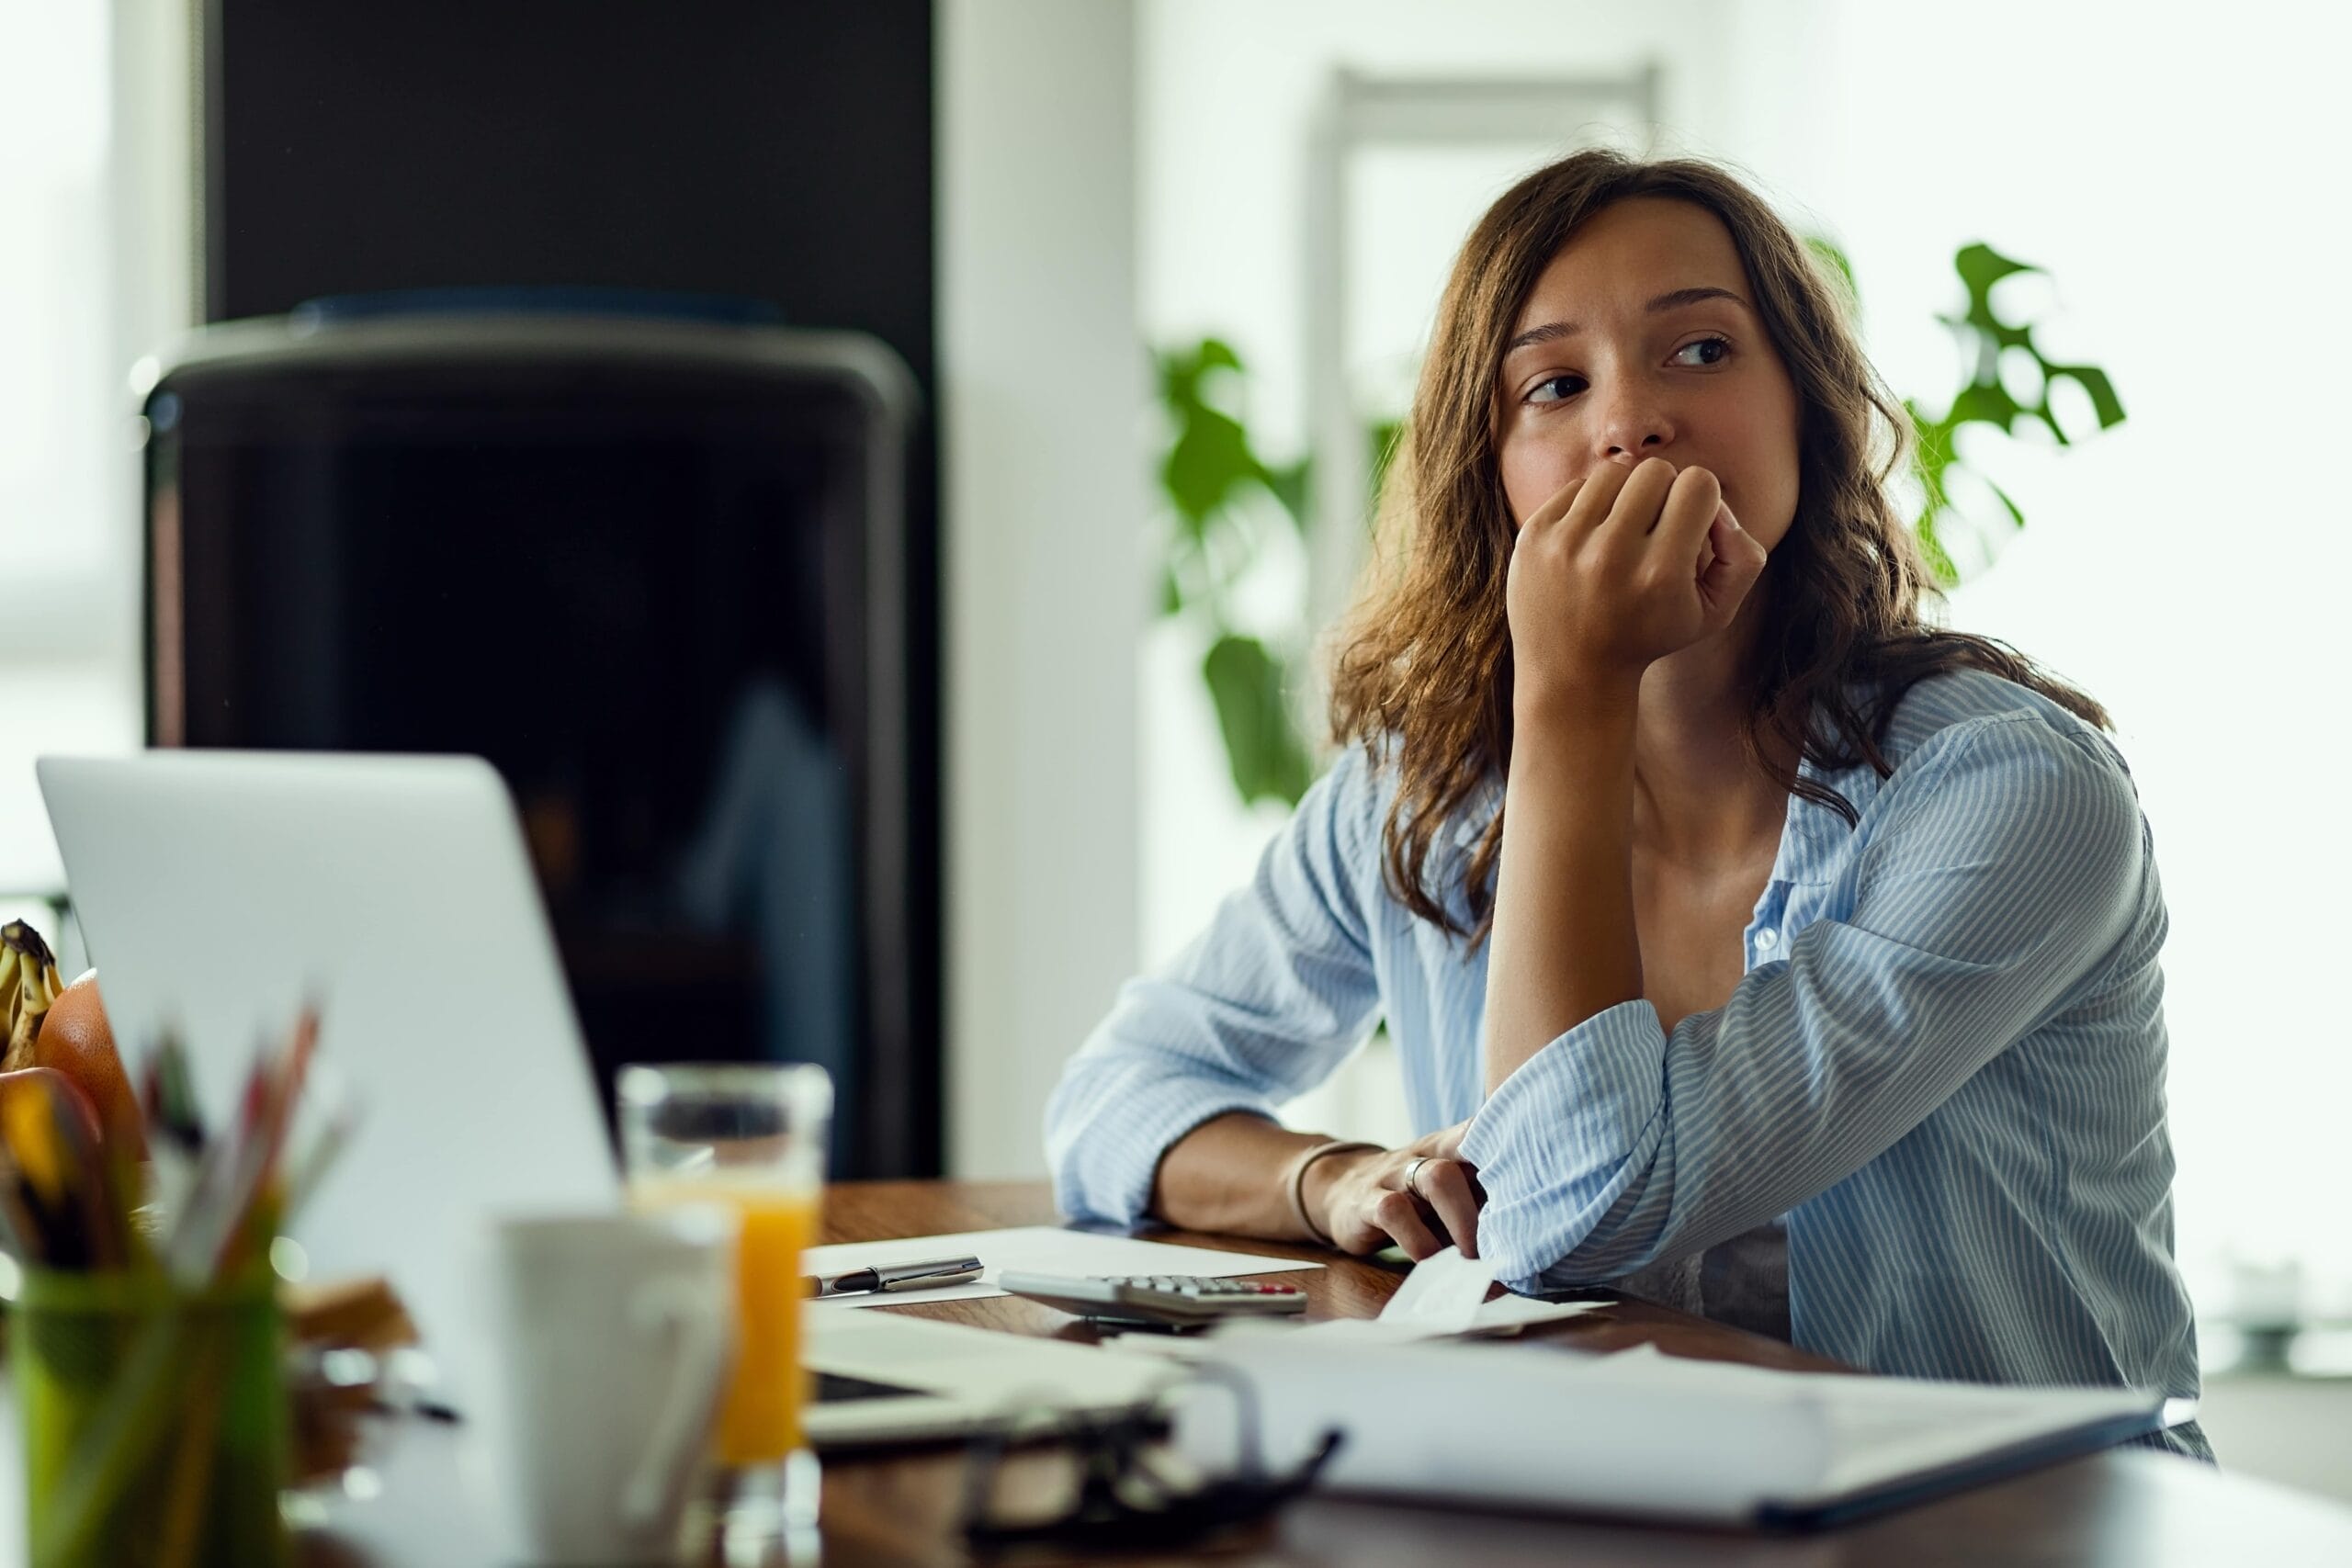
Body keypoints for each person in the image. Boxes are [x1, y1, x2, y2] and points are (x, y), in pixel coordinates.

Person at [1045, 149, 2206, 1458]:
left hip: (2012, 1530)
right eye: (1556, 384)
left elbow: (1574, 1210)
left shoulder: (2011, 795)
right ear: (1490, 473)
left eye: (1700, 353)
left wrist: (1573, 694)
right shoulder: (1419, 789)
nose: (1632, 422)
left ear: (1806, 413)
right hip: (1627, 1505)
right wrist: (1329, 1182)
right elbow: (1114, 1103)